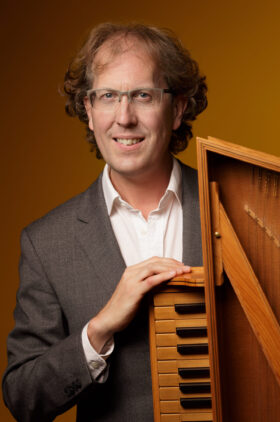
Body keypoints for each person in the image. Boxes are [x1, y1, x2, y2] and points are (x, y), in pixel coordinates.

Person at [2, 23, 207, 421]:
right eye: (108, 97)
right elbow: (23, 398)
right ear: (89, 112)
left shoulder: (238, 204)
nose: (124, 117)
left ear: (178, 107)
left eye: (143, 96)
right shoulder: (47, 243)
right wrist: (98, 330)